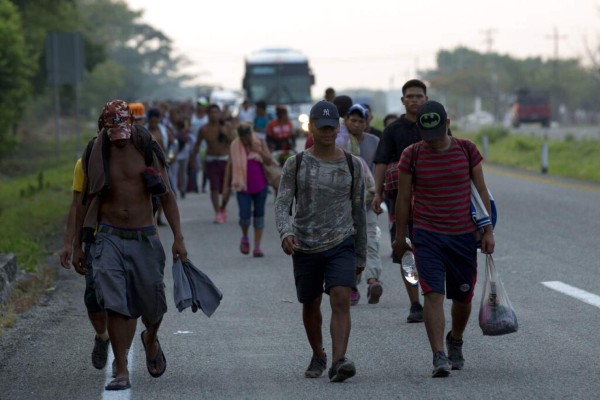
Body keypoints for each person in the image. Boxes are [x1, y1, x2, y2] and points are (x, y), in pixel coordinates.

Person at [72, 99, 188, 391]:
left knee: (153, 305)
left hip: (144, 235)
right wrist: (76, 245)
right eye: (113, 131)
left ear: (131, 125)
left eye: (122, 129)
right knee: (115, 302)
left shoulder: (147, 147)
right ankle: (121, 366)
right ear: (103, 128)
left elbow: (167, 195)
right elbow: (82, 202)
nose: (119, 138)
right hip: (109, 236)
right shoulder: (95, 153)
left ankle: (150, 337)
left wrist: (178, 238)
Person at [392, 100, 494, 377]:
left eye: (438, 133)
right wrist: (400, 238)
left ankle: (455, 340)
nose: (433, 142)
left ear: (447, 124)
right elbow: (402, 199)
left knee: (463, 297)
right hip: (427, 236)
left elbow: (481, 191)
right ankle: (438, 355)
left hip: (463, 235)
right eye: (428, 136)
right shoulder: (411, 155)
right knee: (433, 293)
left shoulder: (467, 150)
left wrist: (488, 231)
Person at [274, 100, 366, 383]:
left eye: (331, 127)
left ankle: (339, 361)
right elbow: (282, 204)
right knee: (311, 303)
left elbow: (358, 210)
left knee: (340, 297)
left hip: (342, 240)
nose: (327, 132)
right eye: (321, 127)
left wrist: (361, 255)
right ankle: (318, 353)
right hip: (306, 244)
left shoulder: (352, 164)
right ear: (312, 127)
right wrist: (285, 232)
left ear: (338, 128)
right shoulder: (296, 163)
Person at [372, 79, 429, 323]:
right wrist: (377, 193)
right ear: (403, 100)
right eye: (410, 96)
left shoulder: (434, 125)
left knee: (431, 252)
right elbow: (382, 162)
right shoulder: (392, 131)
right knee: (405, 251)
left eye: (419, 96)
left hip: (432, 200)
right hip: (400, 202)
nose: (414, 100)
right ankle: (415, 303)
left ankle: (432, 297)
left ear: (426, 99)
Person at [59, 126, 110, 373]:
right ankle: (102, 337)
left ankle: (121, 361)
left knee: (125, 296)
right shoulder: (86, 163)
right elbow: (77, 205)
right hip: (94, 238)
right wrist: (71, 243)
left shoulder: (135, 160)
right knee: (93, 297)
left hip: (125, 238)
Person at [345, 104, 383, 305]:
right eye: (353, 120)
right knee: (350, 243)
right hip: (344, 202)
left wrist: (378, 193)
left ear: (367, 123)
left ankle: (373, 280)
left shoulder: (374, 142)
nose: (357, 124)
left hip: (368, 200)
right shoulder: (339, 141)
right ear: (346, 121)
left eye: (361, 121)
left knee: (371, 240)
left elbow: (379, 169)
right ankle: (352, 284)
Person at [223, 123, 273, 257]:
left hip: (260, 186)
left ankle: (257, 246)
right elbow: (229, 165)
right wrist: (226, 186)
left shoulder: (260, 142)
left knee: (259, 216)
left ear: (251, 135)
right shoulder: (234, 146)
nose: (245, 141)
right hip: (242, 187)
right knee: (244, 217)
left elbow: (269, 161)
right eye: (243, 139)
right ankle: (245, 236)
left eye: (247, 138)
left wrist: (258, 151)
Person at [191, 104, 234, 223]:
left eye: (216, 112)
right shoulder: (204, 129)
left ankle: (223, 207)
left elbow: (234, 142)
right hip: (211, 160)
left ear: (219, 113)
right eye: (211, 112)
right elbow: (197, 145)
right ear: (207, 114)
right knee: (214, 187)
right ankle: (217, 212)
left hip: (225, 160)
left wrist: (225, 133)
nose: (213, 115)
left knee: (227, 187)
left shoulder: (227, 126)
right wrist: (193, 160)